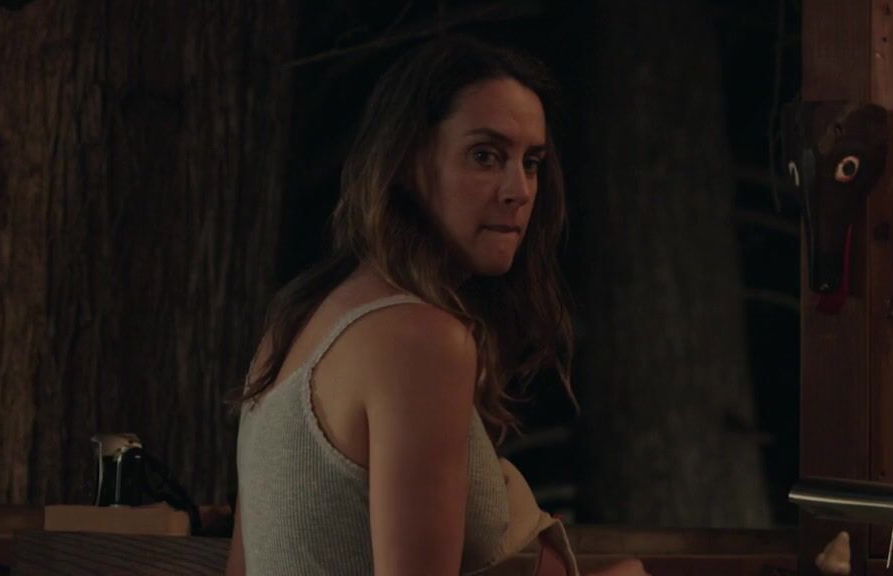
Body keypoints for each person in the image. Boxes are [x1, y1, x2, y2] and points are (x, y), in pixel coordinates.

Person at [224, 35, 650, 576]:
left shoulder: (296, 323)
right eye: (485, 156)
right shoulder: (418, 339)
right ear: (405, 162)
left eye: (531, 162)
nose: (519, 190)